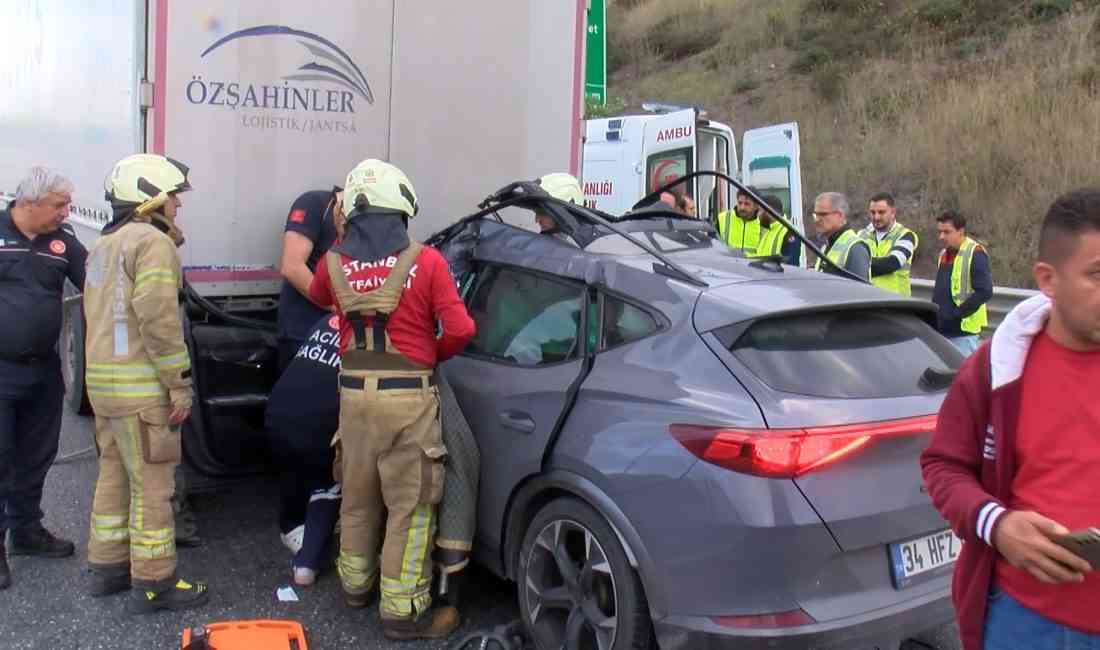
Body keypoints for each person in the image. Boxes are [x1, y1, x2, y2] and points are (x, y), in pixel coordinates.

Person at [920, 189, 1100, 650]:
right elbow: (942, 466)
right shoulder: (996, 369)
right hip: (1028, 624)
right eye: (1098, 275)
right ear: (1048, 279)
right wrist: (997, 525)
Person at [308, 159, 475, 640]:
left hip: (353, 397)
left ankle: (355, 588)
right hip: (408, 401)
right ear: (400, 208)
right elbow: (462, 329)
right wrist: (429, 357)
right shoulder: (427, 262)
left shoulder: (333, 262)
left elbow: (324, 298)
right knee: (411, 504)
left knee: (357, 494)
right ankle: (401, 611)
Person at [82, 154, 208, 612]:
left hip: (105, 387)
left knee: (113, 476)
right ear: (150, 196)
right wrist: (179, 384)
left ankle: (108, 568)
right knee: (154, 486)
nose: (177, 204)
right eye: (173, 195)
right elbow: (158, 321)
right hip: (141, 392)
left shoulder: (104, 244)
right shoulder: (152, 244)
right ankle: (154, 583)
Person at [0, 167, 84, 590]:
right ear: (29, 204)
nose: (66, 212)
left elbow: (99, 283)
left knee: (37, 454)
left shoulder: (63, 241)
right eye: (58, 205)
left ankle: (26, 531)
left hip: (43, 369)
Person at [264, 314, 343, 587]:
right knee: (331, 479)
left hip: (276, 413)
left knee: (296, 466)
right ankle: (307, 564)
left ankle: (291, 526)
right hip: (318, 427)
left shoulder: (324, 320)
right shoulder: (376, 333)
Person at [276, 188, 341, 373]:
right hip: (303, 331)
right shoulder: (315, 204)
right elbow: (292, 266)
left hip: (338, 334)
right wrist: (336, 305)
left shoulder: (360, 223)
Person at [932, 210, 992, 356]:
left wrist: (956, 314)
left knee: (963, 377)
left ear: (960, 231)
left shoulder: (975, 253)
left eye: (947, 232)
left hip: (963, 333)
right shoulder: (944, 254)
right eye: (940, 232)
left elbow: (984, 291)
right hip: (943, 331)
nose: (941, 237)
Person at [860, 192, 918, 296]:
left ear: (893, 212)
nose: (876, 217)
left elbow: (891, 264)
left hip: (895, 305)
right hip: (867, 301)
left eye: (881, 212)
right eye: (872, 212)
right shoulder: (862, 234)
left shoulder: (906, 236)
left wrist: (859, 265)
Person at [812, 192, 870, 280]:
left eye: (822, 214)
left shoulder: (855, 248)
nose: (817, 220)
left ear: (840, 216)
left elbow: (859, 291)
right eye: (816, 215)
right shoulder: (827, 245)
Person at [752, 195, 801, 266]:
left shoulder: (789, 233)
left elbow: (790, 267)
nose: (757, 215)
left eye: (759, 210)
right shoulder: (767, 231)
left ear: (769, 211)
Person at [533, 173, 583, 240]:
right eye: (536, 212)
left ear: (566, 213)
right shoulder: (543, 244)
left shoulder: (569, 249)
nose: (537, 220)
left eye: (542, 212)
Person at [716, 187, 763, 254]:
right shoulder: (722, 218)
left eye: (747, 204)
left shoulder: (763, 224)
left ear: (756, 206)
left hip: (751, 264)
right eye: (740, 203)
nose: (742, 207)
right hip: (726, 263)